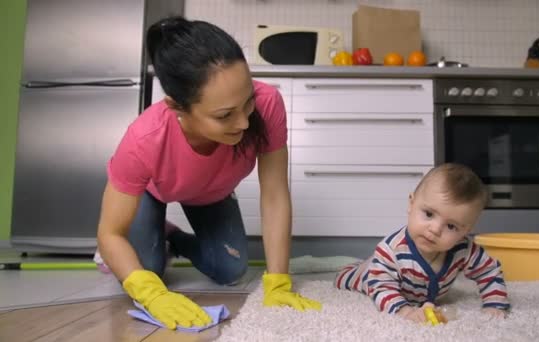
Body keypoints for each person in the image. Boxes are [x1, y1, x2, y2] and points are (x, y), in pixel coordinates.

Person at [95, 16, 321, 330]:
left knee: (231, 269)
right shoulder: (143, 139)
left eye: (248, 103)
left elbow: (274, 195)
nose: (243, 123)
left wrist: (278, 281)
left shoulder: (268, 104)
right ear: (176, 107)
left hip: (212, 193)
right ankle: (153, 237)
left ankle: (171, 235)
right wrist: (150, 293)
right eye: (225, 115)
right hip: (154, 192)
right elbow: (109, 233)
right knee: (146, 269)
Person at [334, 163, 510, 323]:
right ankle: (349, 267)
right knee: (350, 276)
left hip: (412, 289)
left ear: (465, 231)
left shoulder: (465, 250)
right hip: (370, 276)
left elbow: (489, 271)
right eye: (428, 214)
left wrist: (494, 304)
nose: (434, 229)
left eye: (451, 226)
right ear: (411, 204)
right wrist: (404, 310)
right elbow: (381, 287)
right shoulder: (391, 250)